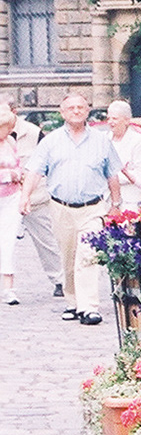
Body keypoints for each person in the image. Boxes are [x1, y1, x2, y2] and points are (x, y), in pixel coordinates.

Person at [20, 92, 121, 325]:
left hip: (93, 208)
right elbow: (34, 171)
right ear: (62, 113)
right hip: (60, 208)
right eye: (71, 108)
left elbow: (112, 174)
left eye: (81, 107)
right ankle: (73, 302)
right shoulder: (50, 141)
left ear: (87, 111)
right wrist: (25, 197)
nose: (76, 111)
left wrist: (115, 204)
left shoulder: (101, 141)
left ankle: (89, 307)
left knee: (88, 255)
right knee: (68, 257)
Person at [12, 113, 64, 297]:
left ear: (13, 111)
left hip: (35, 196)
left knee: (47, 240)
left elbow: (49, 162)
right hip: (5, 196)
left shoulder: (34, 133)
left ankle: (60, 280)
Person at [106, 100, 141, 204]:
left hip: (129, 198)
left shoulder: (138, 140)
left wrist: (113, 177)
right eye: (109, 118)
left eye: (115, 118)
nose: (110, 122)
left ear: (126, 120)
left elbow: (140, 172)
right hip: (106, 197)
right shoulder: (104, 139)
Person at [0, 105, 22, 305]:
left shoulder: (11, 142)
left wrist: (17, 175)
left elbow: (19, 166)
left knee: (8, 242)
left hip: (11, 198)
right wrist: (10, 175)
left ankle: (9, 287)